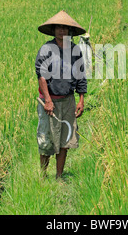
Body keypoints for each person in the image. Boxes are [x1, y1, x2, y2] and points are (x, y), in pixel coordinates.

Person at [35, 10, 87, 179]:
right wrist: (48, 100)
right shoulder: (47, 49)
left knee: (65, 140)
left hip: (68, 100)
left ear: (70, 31)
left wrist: (81, 100)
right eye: (59, 27)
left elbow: (80, 76)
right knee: (47, 139)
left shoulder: (75, 50)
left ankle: (59, 176)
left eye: (65, 28)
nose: (62, 31)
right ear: (54, 30)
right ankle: (43, 177)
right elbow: (41, 75)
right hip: (49, 101)